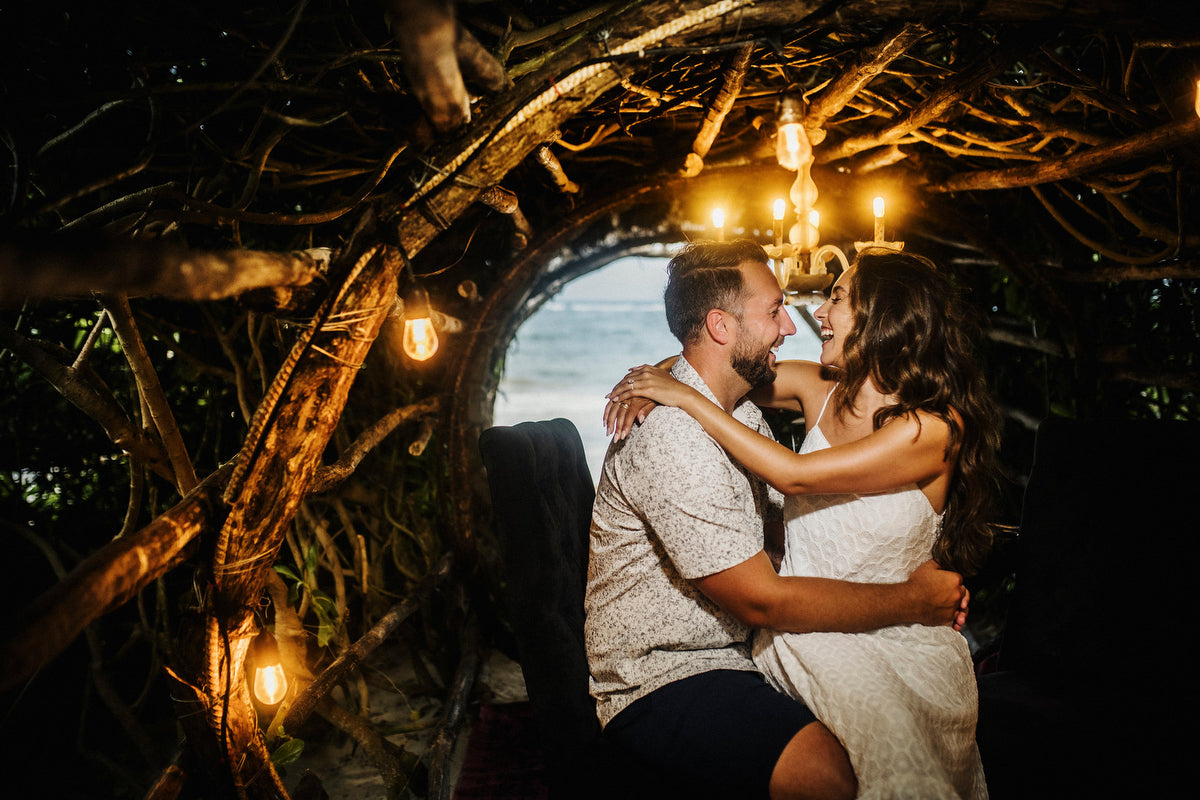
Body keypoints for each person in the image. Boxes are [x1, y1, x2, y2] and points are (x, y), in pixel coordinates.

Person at [604, 247, 1001, 799]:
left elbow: (792, 473)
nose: (810, 315)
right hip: (794, 636)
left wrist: (681, 395)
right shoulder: (814, 387)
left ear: (882, 316)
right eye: (777, 309)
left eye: (837, 297)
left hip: (893, 640)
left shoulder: (930, 427)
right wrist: (657, 382)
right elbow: (714, 361)